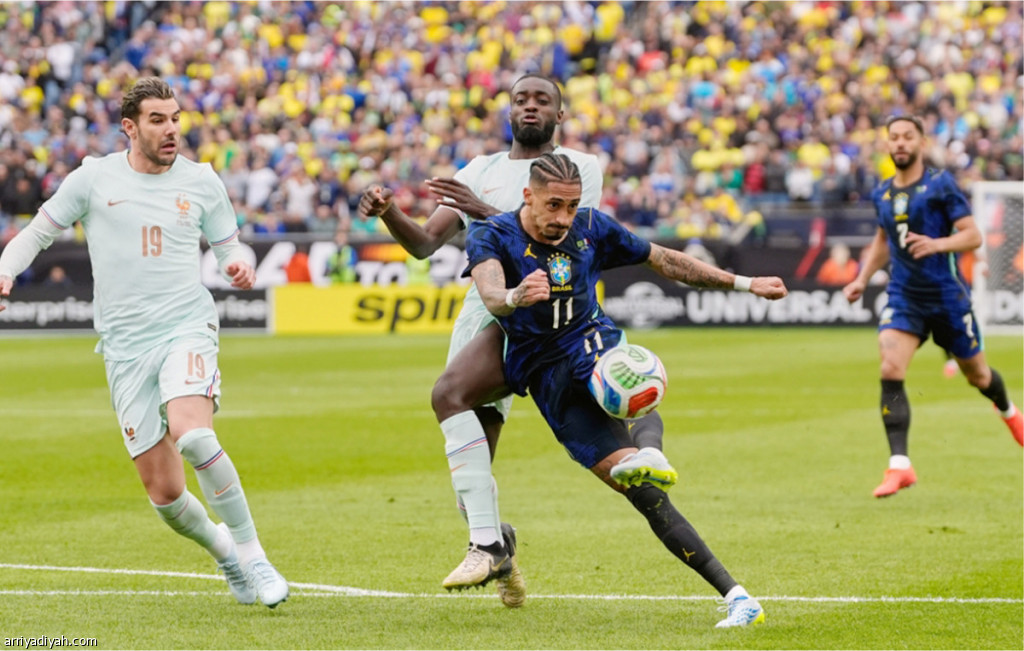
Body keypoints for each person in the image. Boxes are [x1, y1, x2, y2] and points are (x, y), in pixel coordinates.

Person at [358, 74, 669, 606]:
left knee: (600, 431)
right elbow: (425, 244)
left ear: (559, 114)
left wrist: (480, 209)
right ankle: (496, 546)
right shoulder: (479, 169)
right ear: (508, 110)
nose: (530, 106)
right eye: (521, 99)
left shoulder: (577, 168)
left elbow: (563, 240)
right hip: (486, 314)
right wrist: (389, 212)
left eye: (542, 100)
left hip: (554, 323)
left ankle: (649, 477)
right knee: (471, 466)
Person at [463, 153, 788, 627]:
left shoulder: (592, 227)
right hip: (545, 376)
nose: (564, 218)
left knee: (627, 374)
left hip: (589, 340)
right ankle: (738, 595)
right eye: (554, 205)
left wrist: (744, 283)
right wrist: (514, 296)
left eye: (571, 207)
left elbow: (664, 260)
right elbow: (491, 293)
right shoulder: (491, 234)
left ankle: (654, 458)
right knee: (647, 496)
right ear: (528, 196)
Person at [0, 77, 289, 607]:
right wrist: (5, 271)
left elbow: (230, 245)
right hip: (124, 346)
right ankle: (226, 554)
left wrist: (238, 265)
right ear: (130, 128)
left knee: (193, 435)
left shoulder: (202, 181)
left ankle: (254, 555)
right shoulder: (93, 178)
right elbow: (38, 232)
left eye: (175, 118)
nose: (171, 129)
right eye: (158, 120)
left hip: (185, 326)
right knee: (166, 496)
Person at [843, 115, 1023, 499]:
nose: (900, 143)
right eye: (894, 137)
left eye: (907, 136)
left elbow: (973, 236)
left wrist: (937, 244)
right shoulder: (882, 193)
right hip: (904, 296)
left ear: (921, 143)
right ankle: (900, 466)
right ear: (887, 144)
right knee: (890, 366)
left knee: (979, 376)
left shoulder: (940, 185)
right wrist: (861, 278)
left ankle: (1009, 412)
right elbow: (882, 240)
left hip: (946, 297)